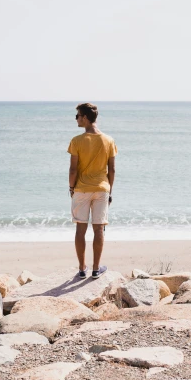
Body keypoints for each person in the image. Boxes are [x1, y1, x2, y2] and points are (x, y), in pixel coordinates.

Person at [68, 103, 117, 279]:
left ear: (85, 117)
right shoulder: (109, 140)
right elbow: (111, 170)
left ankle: (82, 269)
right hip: (102, 188)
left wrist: (71, 187)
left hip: (81, 189)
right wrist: (109, 191)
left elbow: (73, 170)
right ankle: (96, 269)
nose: (76, 119)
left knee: (80, 230)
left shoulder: (77, 141)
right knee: (99, 229)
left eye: (77, 116)